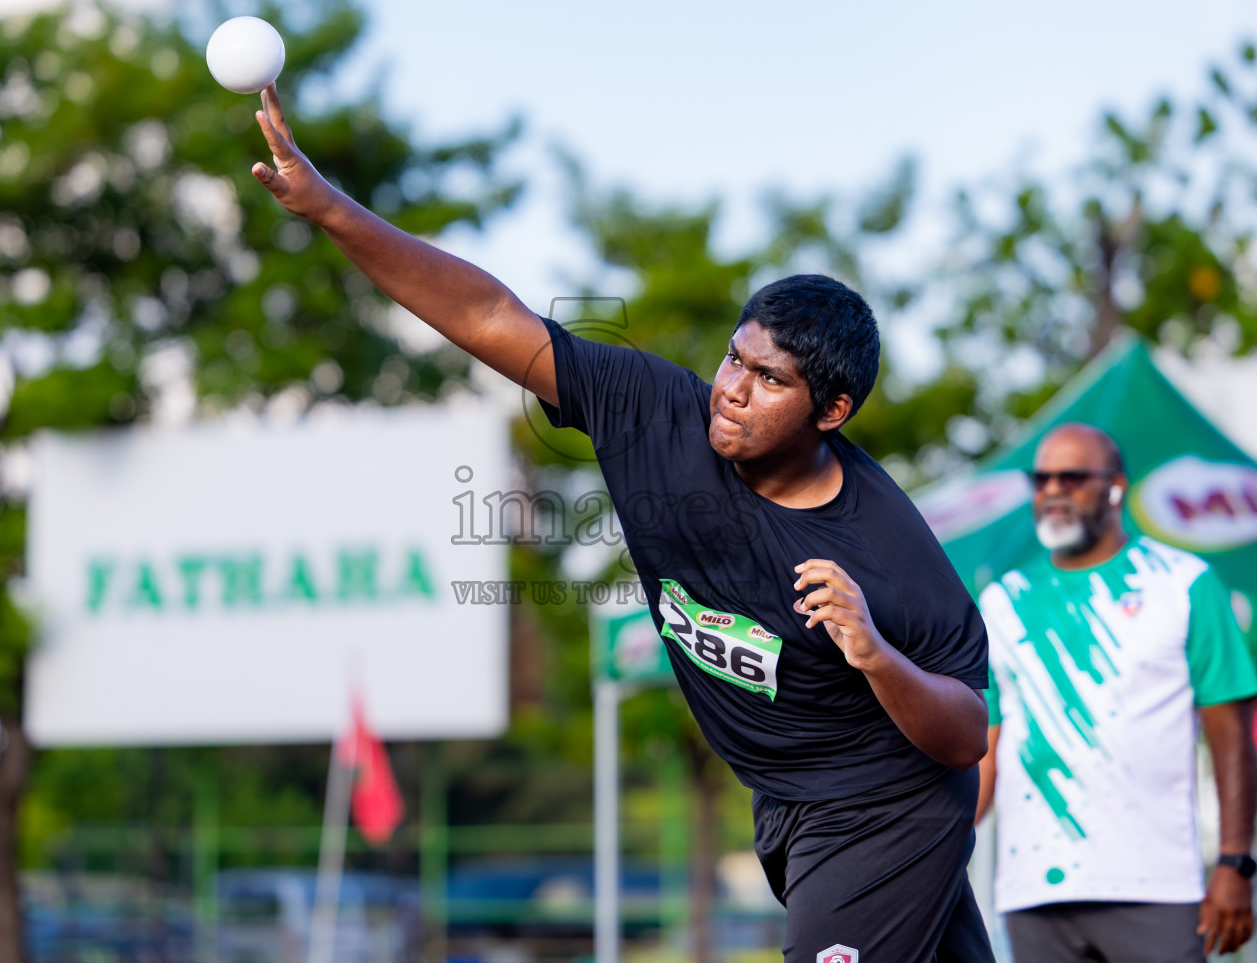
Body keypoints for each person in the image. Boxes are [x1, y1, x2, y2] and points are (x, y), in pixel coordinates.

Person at [247, 85, 993, 961]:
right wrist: (328, 208)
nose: (731, 387)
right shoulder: (655, 413)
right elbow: (493, 317)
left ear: (831, 410)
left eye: (769, 381)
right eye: (733, 357)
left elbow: (965, 733)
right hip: (783, 797)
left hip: (883, 809)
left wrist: (875, 654)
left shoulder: (885, 551)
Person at [974, 423, 1257, 962]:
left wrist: (1235, 862)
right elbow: (985, 749)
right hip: (1034, 889)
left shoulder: (1184, 584)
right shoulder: (1000, 601)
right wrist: (932, 853)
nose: (1053, 491)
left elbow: (1233, 739)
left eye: (1072, 477)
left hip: (1156, 887)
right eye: (1041, 479)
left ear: (1115, 487)